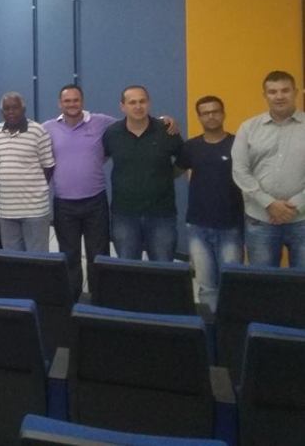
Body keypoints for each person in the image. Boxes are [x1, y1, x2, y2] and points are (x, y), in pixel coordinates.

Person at [43, 84, 179, 299]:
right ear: (60, 104)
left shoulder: (102, 123)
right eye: (67, 101)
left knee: (99, 255)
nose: (72, 104)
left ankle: (101, 299)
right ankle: (71, 301)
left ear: (82, 101)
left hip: (95, 201)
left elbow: (134, 121)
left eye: (76, 100)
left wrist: (163, 120)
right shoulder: (47, 128)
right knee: (69, 255)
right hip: (63, 203)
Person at [175, 95, 244, 308]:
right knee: (206, 286)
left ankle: (230, 326)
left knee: (232, 284)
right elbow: (174, 172)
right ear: (199, 117)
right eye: (205, 113)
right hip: (198, 225)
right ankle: (209, 325)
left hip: (231, 226)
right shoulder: (191, 147)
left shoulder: (238, 145)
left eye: (215, 112)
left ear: (223, 114)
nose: (211, 116)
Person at [232, 70, 305, 267]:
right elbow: (240, 170)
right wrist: (269, 203)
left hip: (302, 219)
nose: (279, 96)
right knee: (263, 281)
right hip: (260, 220)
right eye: (273, 92)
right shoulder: (248, 128)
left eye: (285, 90)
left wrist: (296, 205)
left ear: (295, 92)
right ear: (265, 95)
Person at [102, 85, 183, 261]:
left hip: (162, 214)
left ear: (149, 103)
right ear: (122, 106)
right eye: (132, 102)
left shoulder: (167, 130)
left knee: (163, 268)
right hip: (124, 214)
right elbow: (102, 157)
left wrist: (165, 176)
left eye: (142, 101)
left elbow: (183, 161)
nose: (138, 106)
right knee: (128, 267)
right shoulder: (112, 133)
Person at [0, 92, 55, 252]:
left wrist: (34, 190)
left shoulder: (38, 131)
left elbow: (48, 167)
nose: (11, 112)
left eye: (15, 107)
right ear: (1, 112)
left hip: (35, 210)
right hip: (7, 210)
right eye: (7, 108)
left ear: (24, 109)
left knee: (37, 259)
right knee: (12, 260)